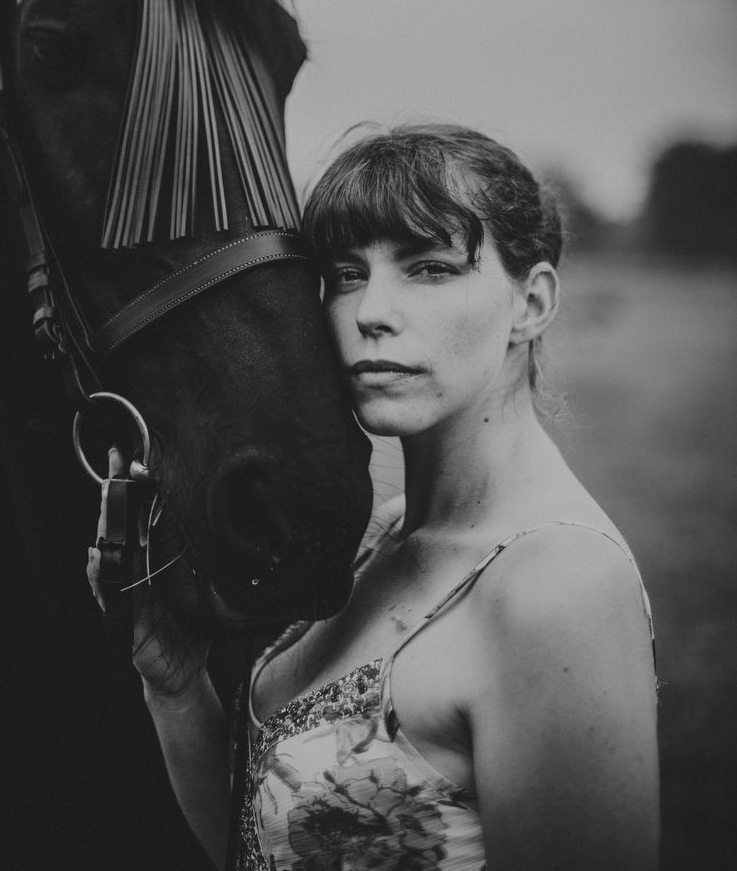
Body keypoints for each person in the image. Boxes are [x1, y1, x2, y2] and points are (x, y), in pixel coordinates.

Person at [88, 122, 659, 871]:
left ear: (533, 302)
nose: (369, 312)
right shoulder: (376, 538)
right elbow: (262, 847)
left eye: (427, 268)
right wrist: (176, 685)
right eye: (346, 274)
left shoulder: (558, 586)